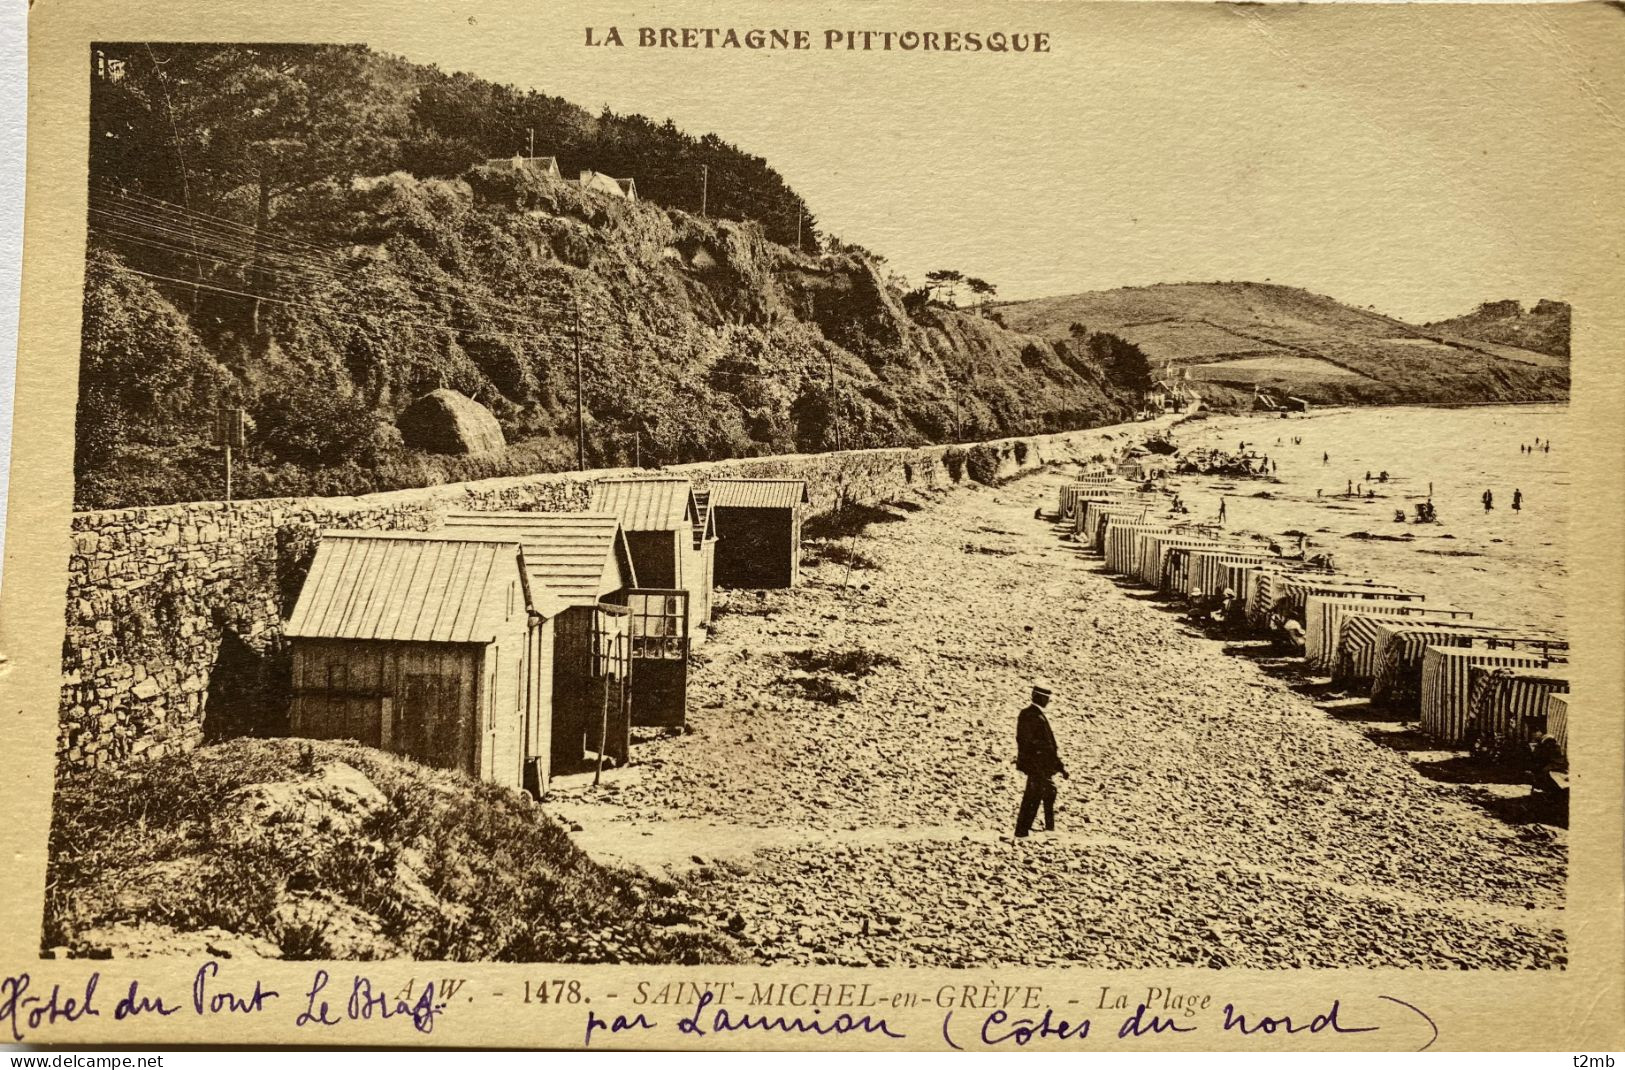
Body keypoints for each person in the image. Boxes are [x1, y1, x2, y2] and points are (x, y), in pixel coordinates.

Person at [1015, 683, 1068, 838]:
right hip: (1037, 766)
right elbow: (1027, 741)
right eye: (1046, 698)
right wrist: (1041, 760)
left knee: (1036, 795)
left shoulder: (1032, 714)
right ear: (1038, 697)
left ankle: (1025, 830)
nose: (1048, 701)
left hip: (1039, 765)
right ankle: (1030, 830)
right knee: (1038, 795)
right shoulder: (1032, 716)